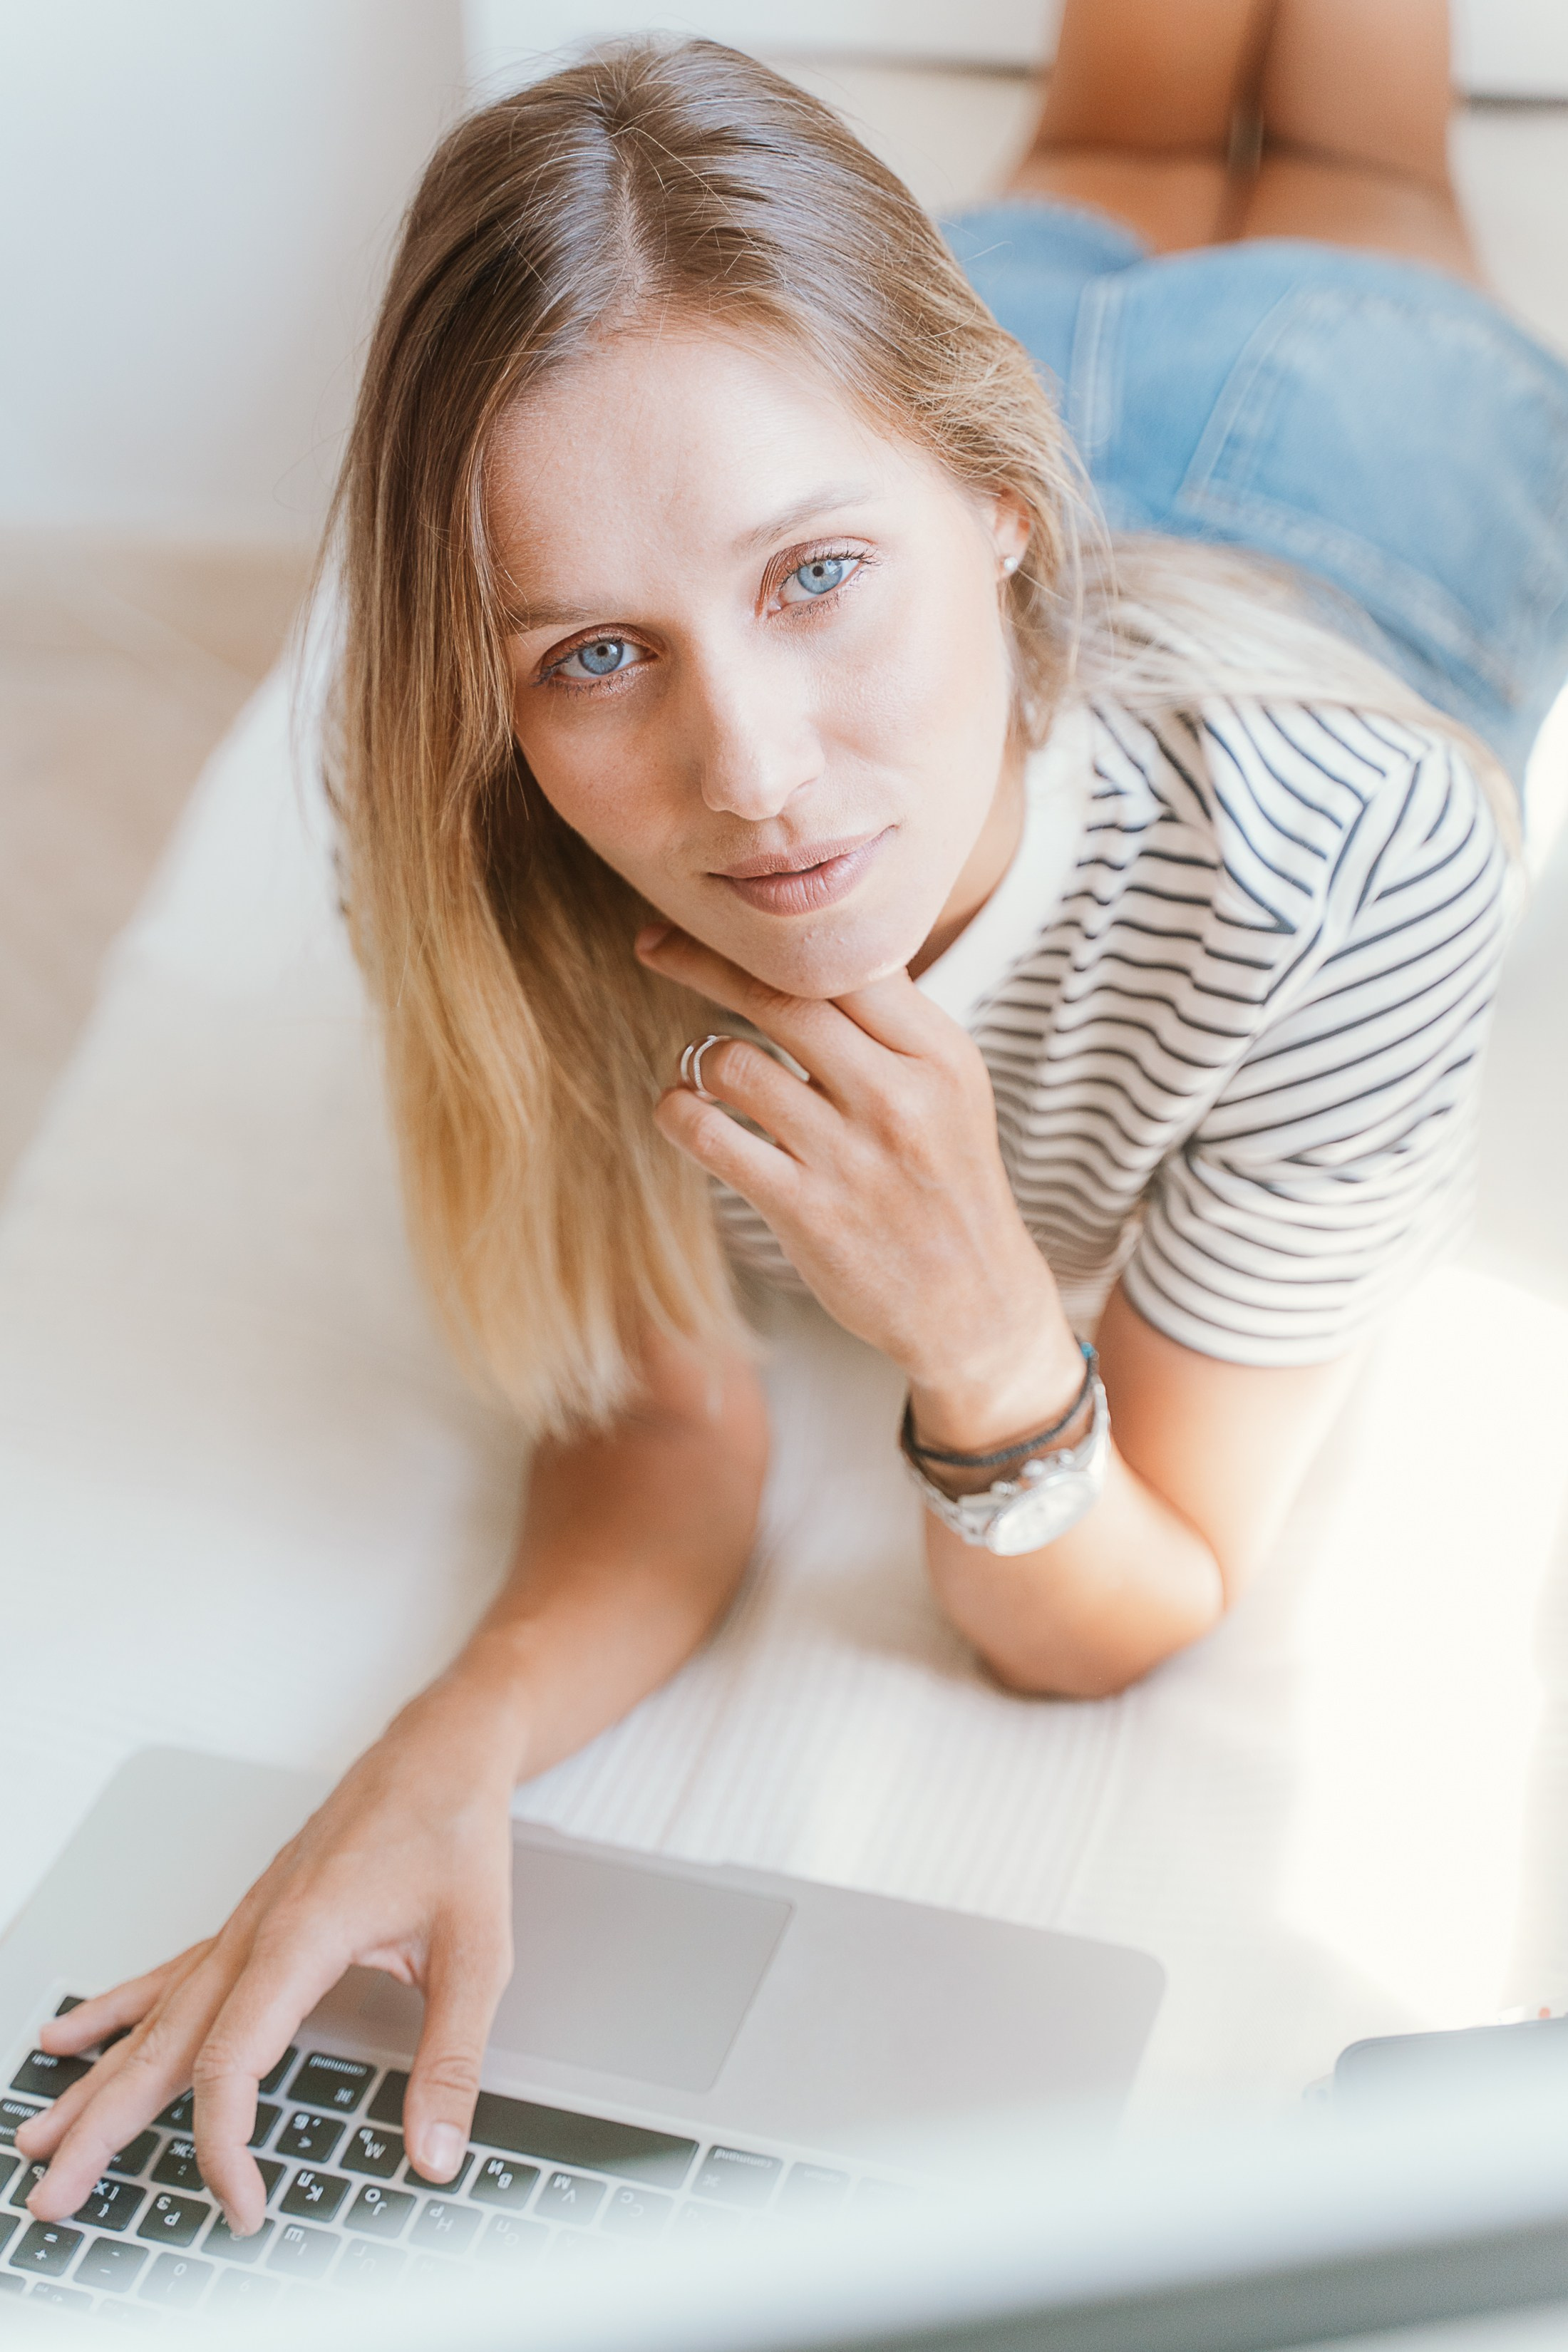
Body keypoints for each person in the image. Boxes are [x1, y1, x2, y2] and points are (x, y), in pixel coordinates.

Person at [23, 0, 1568, 2237]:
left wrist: (984, 1338)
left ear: (1001, 509)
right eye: (596, 655)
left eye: (818, 582)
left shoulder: (1358, 865)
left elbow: (1123, 1611)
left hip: (1366, 470)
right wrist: (440, 1749)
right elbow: (658, 1421)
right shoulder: (484, 860)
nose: (751, 777)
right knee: (1129, 106)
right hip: (943, 355)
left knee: (1349, 139)